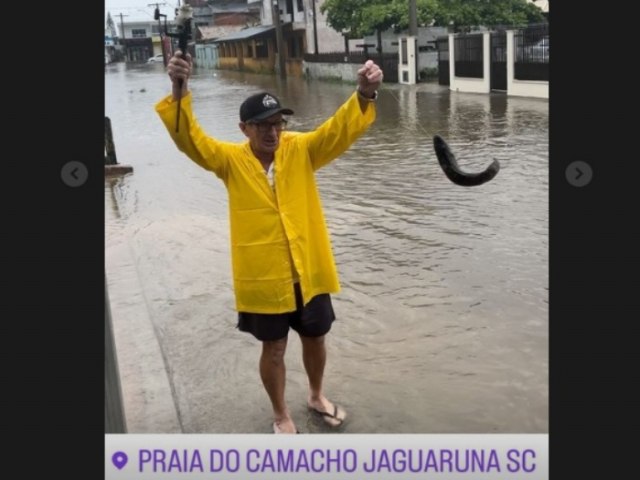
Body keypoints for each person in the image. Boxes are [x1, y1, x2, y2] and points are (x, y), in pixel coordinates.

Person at [155, 50, 383, 434]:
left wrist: (364, 94)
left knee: (316, 338)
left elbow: (339, 130)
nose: (272, 132)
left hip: (306, 270)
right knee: (273, 349)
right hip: (263, 277)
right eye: (262, 126)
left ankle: (315, 395)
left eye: (277, 123)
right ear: (244, 128)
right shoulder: (228, 160)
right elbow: (189, 139)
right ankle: (281, 414)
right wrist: (179, 88)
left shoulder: (302, 150)